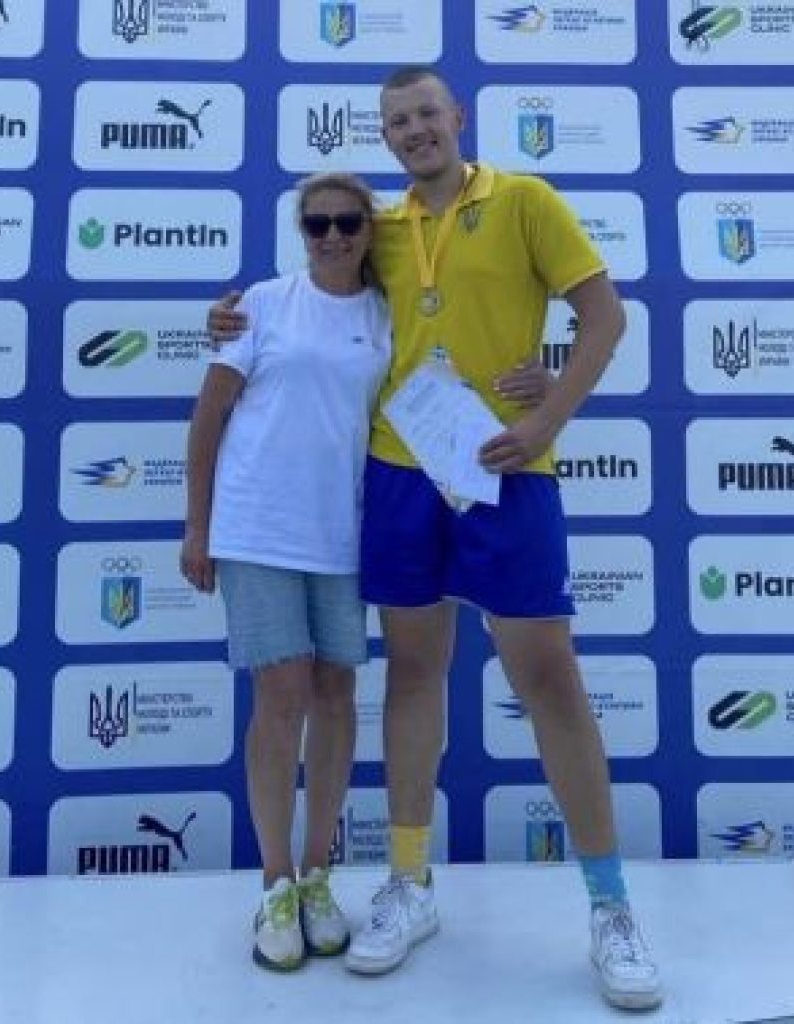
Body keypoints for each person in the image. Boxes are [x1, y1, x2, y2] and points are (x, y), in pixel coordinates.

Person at [207, 67, 661, 1010]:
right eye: (396, 122)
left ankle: (611, 907)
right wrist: (227, 316)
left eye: (425, 114)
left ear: (457, 118)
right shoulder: (379, 227)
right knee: (414, 675)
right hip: (401, 472)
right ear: (386, 137)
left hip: (505, 465)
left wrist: (548, 414)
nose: (414, 130)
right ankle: (409, 883)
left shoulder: (525, 200)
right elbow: (317, 297)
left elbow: (605, 316)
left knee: (548, 679)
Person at [180, 172, 392, 972]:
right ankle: (274, 882)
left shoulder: (388, 315)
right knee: (282, 695)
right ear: (302, 232)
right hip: (257, 529)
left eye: (347, 222)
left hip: (343, 535)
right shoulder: (262, 304)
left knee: (336, 695)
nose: (333, 236)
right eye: (317, 224)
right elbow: (209, 415)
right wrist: (197, 525)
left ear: (369, 229)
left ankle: (316, 876)